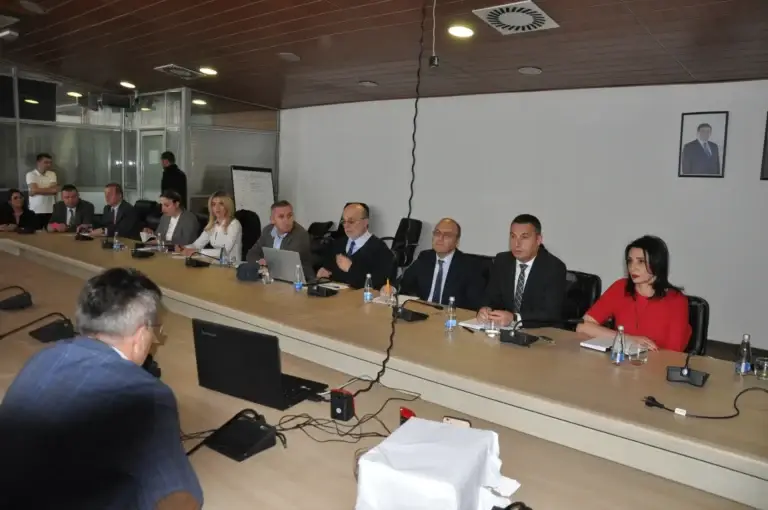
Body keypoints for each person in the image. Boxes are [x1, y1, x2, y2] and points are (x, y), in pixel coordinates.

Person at [0, 268, 203, 509]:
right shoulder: (146, 395)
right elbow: (176, 495)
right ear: (141, 335)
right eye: (154, 332)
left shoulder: (44, 358)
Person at [576, 235, 691, 352]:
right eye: (630, 261)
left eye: (641, 261)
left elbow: (674, 354)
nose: (633, 268)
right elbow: (582, 326)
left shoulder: (676, 301)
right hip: (621, 360)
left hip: (655, 362)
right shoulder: (621, 287)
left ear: (657, 264)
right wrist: (627, 339)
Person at [477, 214, 566, 327]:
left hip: (540, 332)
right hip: (503, 330)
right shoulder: (502, 261)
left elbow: (551, 313)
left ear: (538, 240)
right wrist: (485, 309)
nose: (517, 244)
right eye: (513, 236)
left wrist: (514, 318)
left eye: (524, 237)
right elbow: (490, 297)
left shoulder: (554, 267)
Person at [385, 218, 483, 310]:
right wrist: (392, 288)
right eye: (437, 233)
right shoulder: (425, 257)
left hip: (450, 316)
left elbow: (475, 304)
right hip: (423, 312)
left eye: (447, 235)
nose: (440, 238)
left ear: (457, 241)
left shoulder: (468, 266)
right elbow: (404, 282)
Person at [316, 202, 394, 289]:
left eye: (351, 221)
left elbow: (379, 285)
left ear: (365, 222)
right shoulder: (338, 244)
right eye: (344, 221)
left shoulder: (381, 250)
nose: (346, 226)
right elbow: (328, 271)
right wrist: (323, 273)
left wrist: (351, 269)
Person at [246, 200, 314, 279]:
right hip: (274, 278)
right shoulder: (267, 231)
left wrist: (265, 264)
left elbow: (285, 264)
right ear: (272, 220)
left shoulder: (300, 235)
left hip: (299, 280)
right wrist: (259, 261)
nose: (286, 221)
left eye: (289, 216)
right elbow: (252, 253)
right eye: (281, 217)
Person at [181, 191, 242, 263]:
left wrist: (199, 251)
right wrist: (184, 248)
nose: (217, 207)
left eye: (221, 204)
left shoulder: (234, 224)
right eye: (213, 204)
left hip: (231, 265)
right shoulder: (212, 225)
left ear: (227, 206)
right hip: (216, 263)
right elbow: (197, 245)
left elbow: (224, 251)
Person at [25, 152, 59, 230]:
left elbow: (54, 190)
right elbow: (34, 190)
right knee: (36, 231)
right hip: (35, 210)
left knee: (53, 229)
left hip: (51, 210)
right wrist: (48, 190)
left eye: (50, 163)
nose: (48, 165)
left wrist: (36, 191)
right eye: (46, 162)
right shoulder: (30, 174)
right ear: (38, 162)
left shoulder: (52, 174)